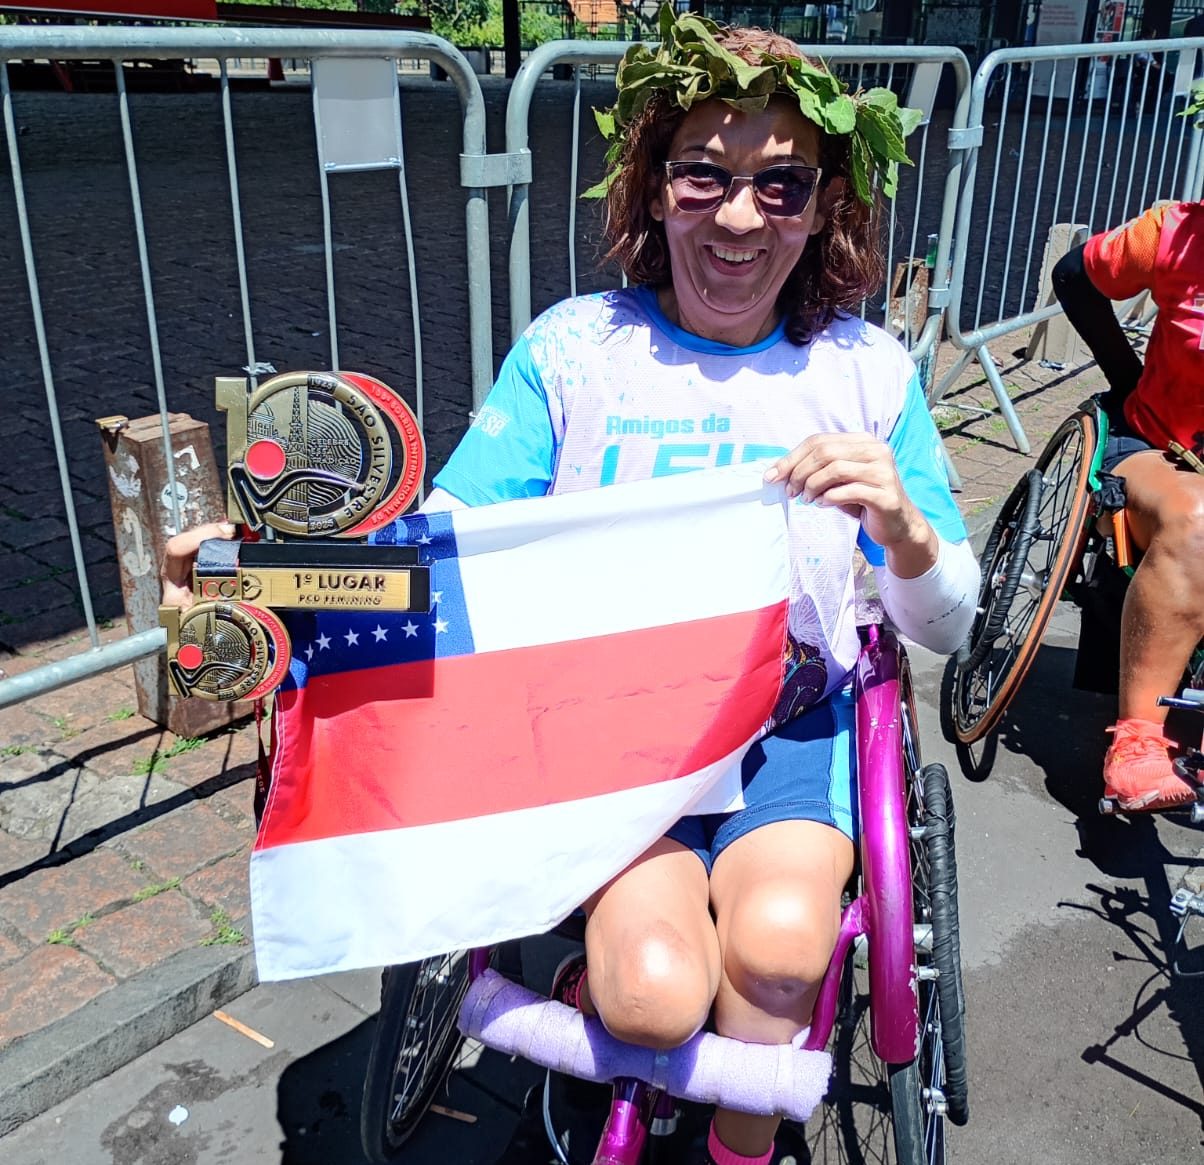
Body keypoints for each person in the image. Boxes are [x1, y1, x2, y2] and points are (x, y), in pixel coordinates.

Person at [164, 9, 978, 1162]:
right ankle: (563, 963)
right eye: (704, 174)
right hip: (613, 741)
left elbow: (947, 621)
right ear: (653, 188)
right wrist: (263, 562)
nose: (740, 217)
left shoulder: (863, 372)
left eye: (782, 186)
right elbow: (443, 546)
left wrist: (901, 531)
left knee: (789, 953)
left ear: (824, 207)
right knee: (651, 996)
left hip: (792, 730)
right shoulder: (577, 350)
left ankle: (735, 1148)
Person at [1052, 191, 1204, 814]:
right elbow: (1074, 275)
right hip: (1160, 448)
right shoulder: (1177, 235)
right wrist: (1126, 372)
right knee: (1200, 524)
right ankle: (1138, 744)